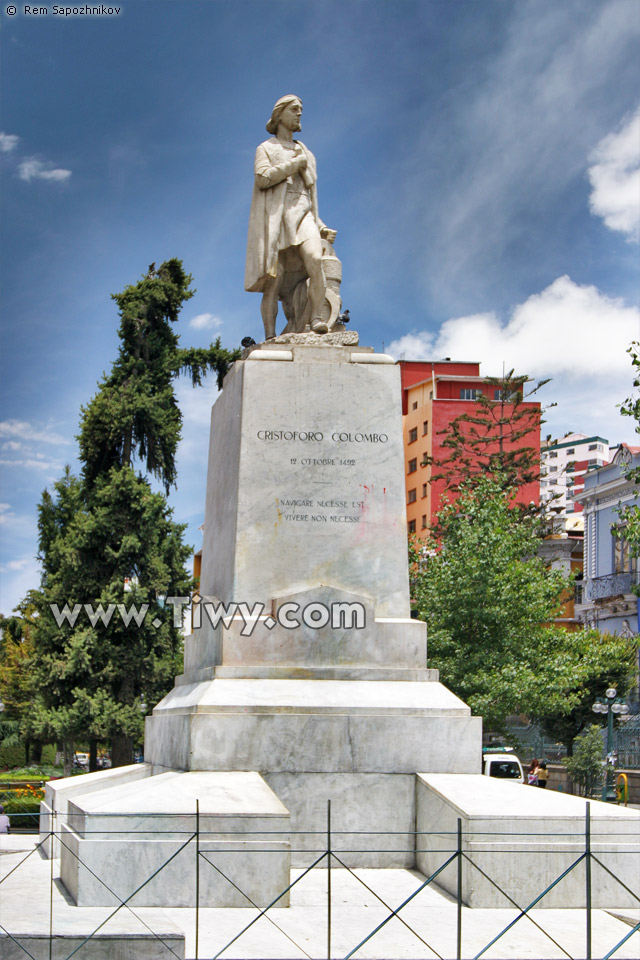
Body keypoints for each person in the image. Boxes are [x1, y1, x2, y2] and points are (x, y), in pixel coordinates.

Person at [245, 95, 337, 339]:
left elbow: (309, 196)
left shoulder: (306, 151)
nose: (299, 114)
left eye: (301, 111)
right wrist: (295, 164)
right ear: (280, 115)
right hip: (277, 217)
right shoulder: (266, 148)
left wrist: (321, 225)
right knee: (273, 282)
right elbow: (263, 178)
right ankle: (270, 335)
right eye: (294, 110)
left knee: (315, 259)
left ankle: (316, 316)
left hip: (303, 213)